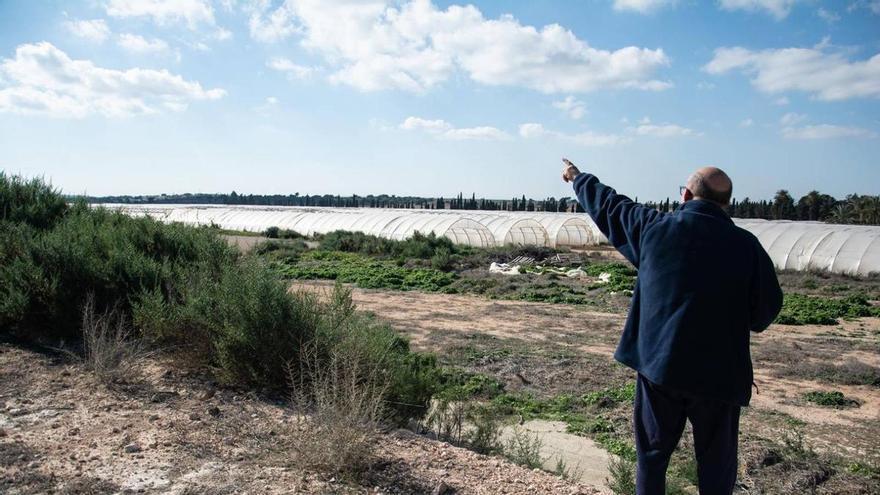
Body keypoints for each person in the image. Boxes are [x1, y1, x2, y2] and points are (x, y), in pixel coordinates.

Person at [561, 159, 783, 495]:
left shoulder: (654, 229)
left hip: (660, 370)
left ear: (686, 194)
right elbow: (765, 312)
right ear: (726, 204)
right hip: (720, 377)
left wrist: (578, 179)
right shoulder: (747, 247)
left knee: (652, 457)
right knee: (716, 467)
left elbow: (610, 206)